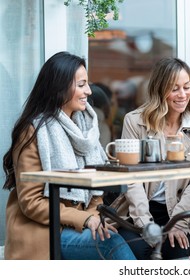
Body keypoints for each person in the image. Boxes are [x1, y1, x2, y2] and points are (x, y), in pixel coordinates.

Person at [2, 51, 136, 260]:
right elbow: (31, 201)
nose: (89, 91)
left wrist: (92, 214)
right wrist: (84, 218)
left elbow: (97, 188)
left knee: (139, 238)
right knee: (111, 243)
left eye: (87, 84)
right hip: (47, 231)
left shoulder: (85, 129)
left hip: (81, 222)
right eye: (81, 85)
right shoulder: (33, 131)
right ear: (59, 87)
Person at [110, 57, 190, 260]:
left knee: (178, 252)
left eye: (187, 87)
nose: (183, 95)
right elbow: (131, 178)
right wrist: (146, 224)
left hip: (179, 211)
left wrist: (178, 222)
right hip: (136, 212)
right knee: (139, 253)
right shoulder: (135, 121)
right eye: (174, 89)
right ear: (160, 89)